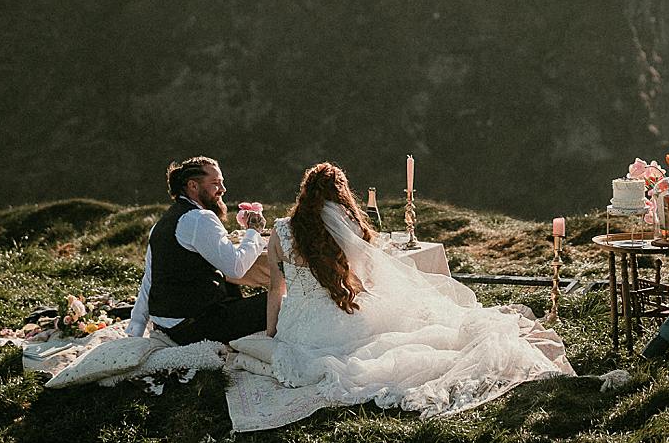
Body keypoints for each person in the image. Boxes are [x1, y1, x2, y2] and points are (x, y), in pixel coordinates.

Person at [258, 162, 570, 418]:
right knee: (404, 333)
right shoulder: (347, 228)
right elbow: (367, 280)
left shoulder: (281, 231)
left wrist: (272, 331)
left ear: (304, 194)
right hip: (341, 318)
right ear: (340, 195)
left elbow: (276, 288)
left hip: (298, 329)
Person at [126, 156, 268, 345]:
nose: (223, 190)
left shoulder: (163, 222)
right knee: (278, 303)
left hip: (168, 327)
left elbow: (149, 280)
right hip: (194, 327)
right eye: (215, 183)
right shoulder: (200, 218)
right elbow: (236, 268)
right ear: (193, 186)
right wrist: (254, 232)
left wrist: (136, 330)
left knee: (231, 286)